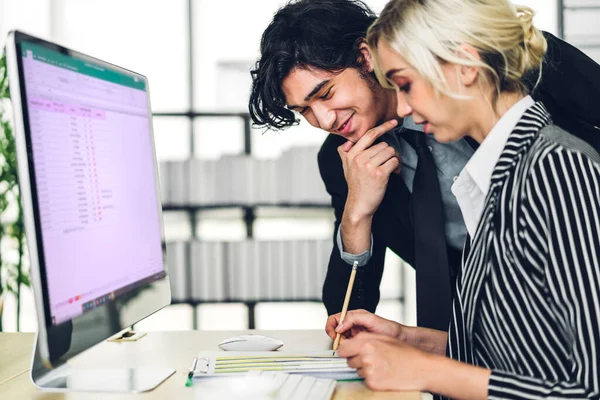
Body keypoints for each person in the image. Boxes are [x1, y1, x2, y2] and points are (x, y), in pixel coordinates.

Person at [248, 0, 600, 332]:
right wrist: (356, 214)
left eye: (325, 94)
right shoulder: (343, 159)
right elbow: (345, 317)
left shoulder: (510, 62)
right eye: (304, 111)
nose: (323, 119)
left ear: (364, 56)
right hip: (487, 334)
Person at [325, 0, 600, 398]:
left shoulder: (557, 170)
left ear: (466, 67)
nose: (402, 107)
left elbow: (588, 387)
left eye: (405, 84)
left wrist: (426, 370)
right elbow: (522, 356)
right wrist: (409, 339)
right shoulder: (493, 177)